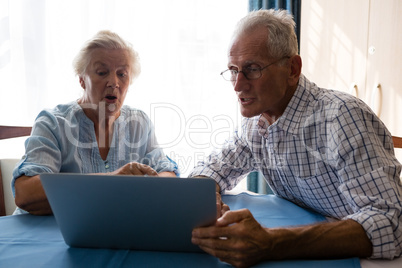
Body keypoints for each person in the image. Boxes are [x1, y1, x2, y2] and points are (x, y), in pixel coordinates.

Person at [190, 9, 402, 267]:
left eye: (252, 69)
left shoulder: (342, 117)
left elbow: (390, 224)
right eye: (233, 70)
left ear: (292, 68)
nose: (237, 85)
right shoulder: (256, 122)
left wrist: (271, 242)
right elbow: (213, 168)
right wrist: (205, 198)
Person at [12, 30, 178, 215]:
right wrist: (110, 181)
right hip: (42, 234)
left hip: (108, 231)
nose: (114, 82)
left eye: (122, 74)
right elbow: (25, 194)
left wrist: (153, 186)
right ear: (82, 80)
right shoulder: (53, 122)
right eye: (102, 72)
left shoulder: (139, 122)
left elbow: (167, 173)